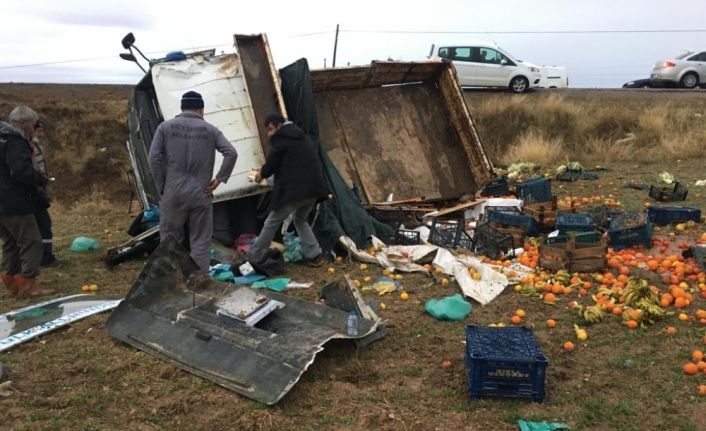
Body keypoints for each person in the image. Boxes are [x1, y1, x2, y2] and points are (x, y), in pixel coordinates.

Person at [149, 91, 237, 273]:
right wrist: (219, 179)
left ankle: (171, 280)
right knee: (201, 240)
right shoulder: (211, 130)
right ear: (200, 109)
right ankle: (199, 283)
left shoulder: (165, 128)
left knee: (170, 239)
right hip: (201, 193)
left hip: (172, 192)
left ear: (182, 108)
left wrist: (162, 185)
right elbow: (231, 153)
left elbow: (154, 158)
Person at [249, 114, 328, 267]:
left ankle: (255, 255)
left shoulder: (281, 139)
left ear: (279, 125)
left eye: (271, 129)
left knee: (271, 221)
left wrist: (260, 174)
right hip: (313, 190)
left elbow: (272, 163)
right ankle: (315, 255)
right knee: (300, 220)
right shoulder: (300, 135)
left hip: (296, 192)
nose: (270, 134)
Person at [0, 106, 54, 298]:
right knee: (31, 241)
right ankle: (28, 284)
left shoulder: (2, 137)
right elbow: (21, 170)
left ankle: (11, 280)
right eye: (32, 124)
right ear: (23, 124)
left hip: (2, 203)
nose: (33, 128)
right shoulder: (15, 140)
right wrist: (41, 179)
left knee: (11, 242)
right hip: (15, 202)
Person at [29, 120, 58, 266]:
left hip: (37, 190)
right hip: (33, 191)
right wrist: (41, 181)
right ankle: (45, 256)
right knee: (43, 224)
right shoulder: (28, 146)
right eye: (39, 131)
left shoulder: (35, 145)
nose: (41, 134)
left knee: (42, 224)